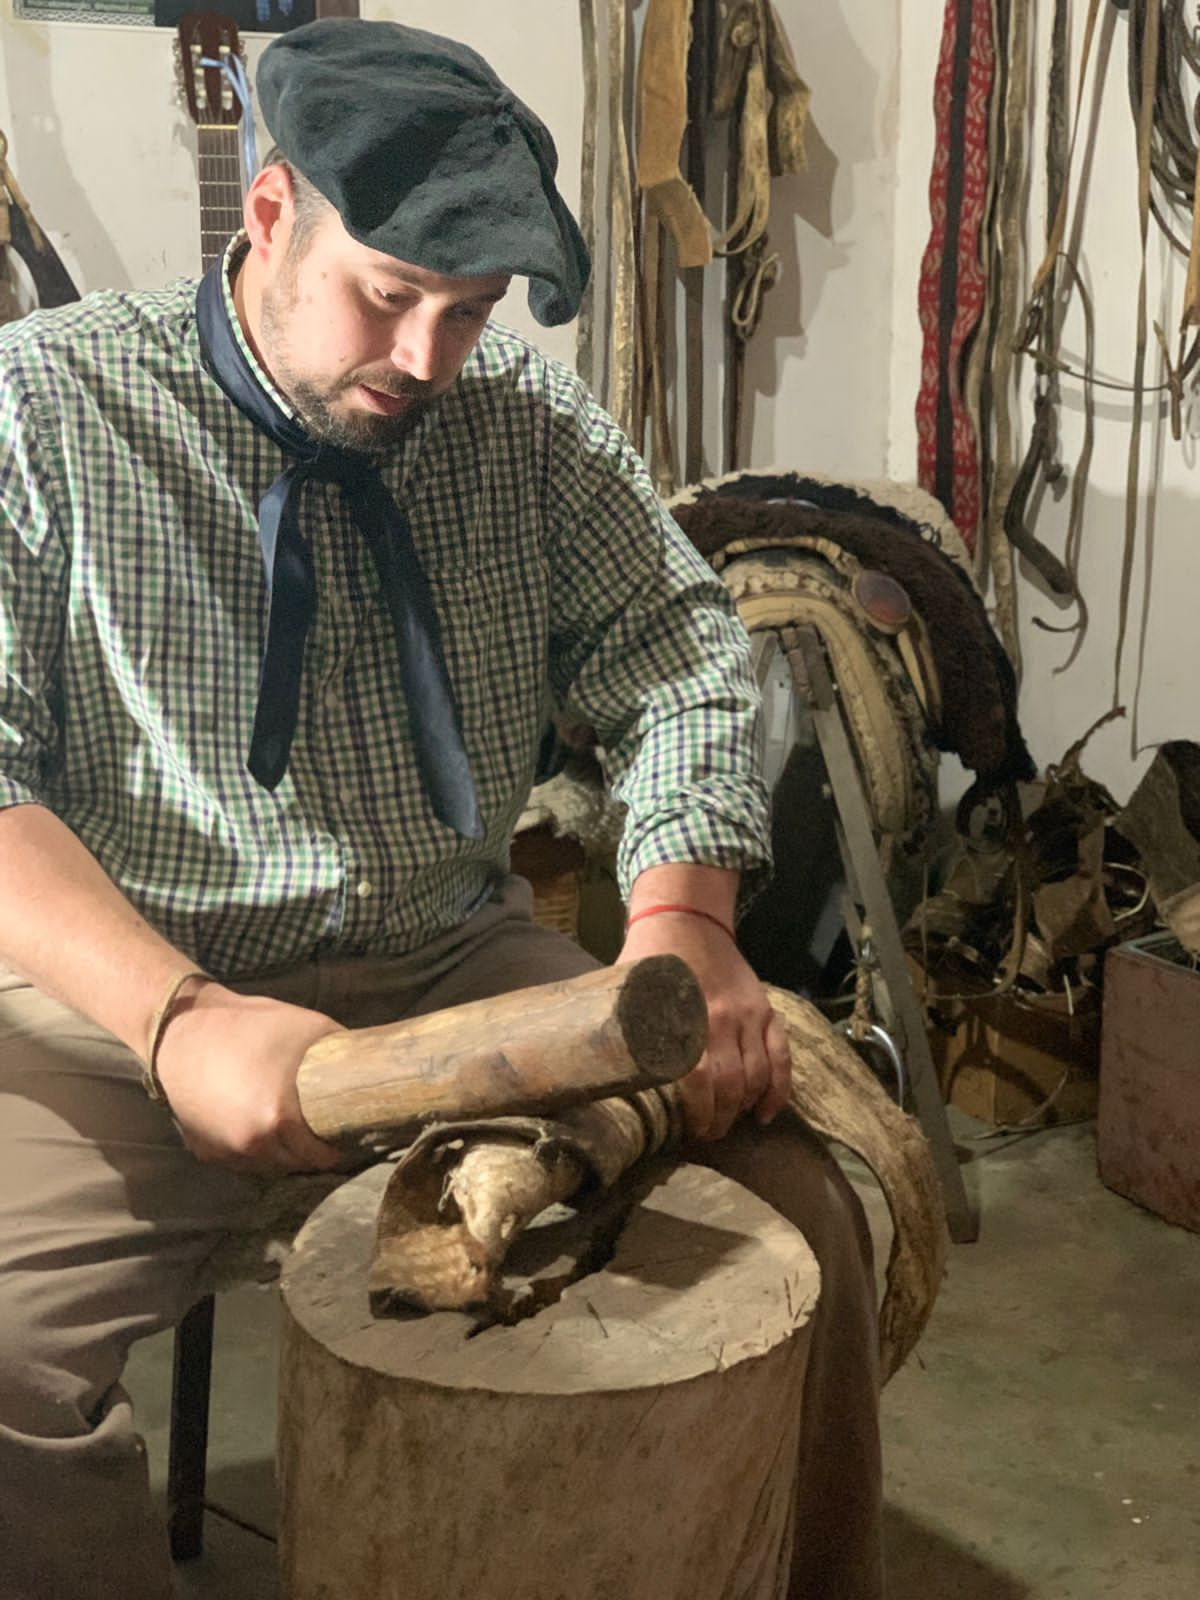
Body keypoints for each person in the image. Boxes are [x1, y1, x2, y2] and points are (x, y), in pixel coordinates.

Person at [0, 18, 881, 1598]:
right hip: (121, 996)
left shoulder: (522, 433)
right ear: (267, 213)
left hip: (448, 973)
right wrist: (178, 1018)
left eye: (466, 315)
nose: (425, 360)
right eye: (389, 297)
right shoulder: (40, 412)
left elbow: (681, 659)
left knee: (798, 1211)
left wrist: (685, 927)